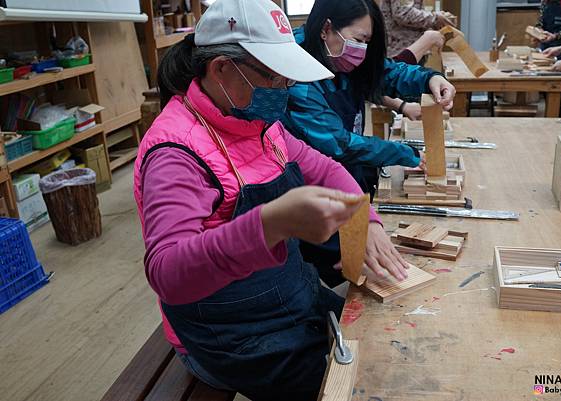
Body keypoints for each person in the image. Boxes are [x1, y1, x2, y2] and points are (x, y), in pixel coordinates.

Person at [133, 0, 411, 400]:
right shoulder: (176, 153)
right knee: (366, 385)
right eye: (275, 78)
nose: (285, 90)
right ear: (222, 69)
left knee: (381, 333)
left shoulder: (257, 123)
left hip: (287, 300)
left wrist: (363, 220)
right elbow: (168, 273)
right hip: (228, 336)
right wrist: (269, 225)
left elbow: (326, 168)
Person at [283, 0, 455, 198]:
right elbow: (339, 144)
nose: (362, 49)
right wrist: (404, 153)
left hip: (347, 174)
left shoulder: (339, 55)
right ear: (326, 28)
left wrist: (429, 78)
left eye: (367, 42)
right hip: (309, 192)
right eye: (358, 39)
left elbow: (386, 72)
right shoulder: (295, 75)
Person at [380, 0, 456, 59]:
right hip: (401, 53)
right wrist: (434, 18)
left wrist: (436, 20)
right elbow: (402, 13)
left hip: (411, 50)